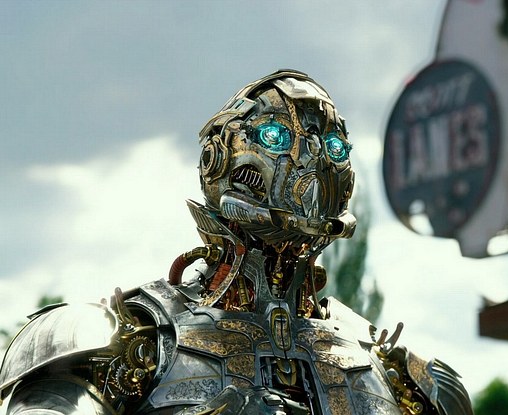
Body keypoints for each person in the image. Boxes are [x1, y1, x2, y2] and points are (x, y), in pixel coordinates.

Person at [0, 70, 472, 415]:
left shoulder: (401, 373)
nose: (309, 158)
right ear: (219, 156)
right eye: (276, 137)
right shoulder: (119, 340)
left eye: (331, 146)